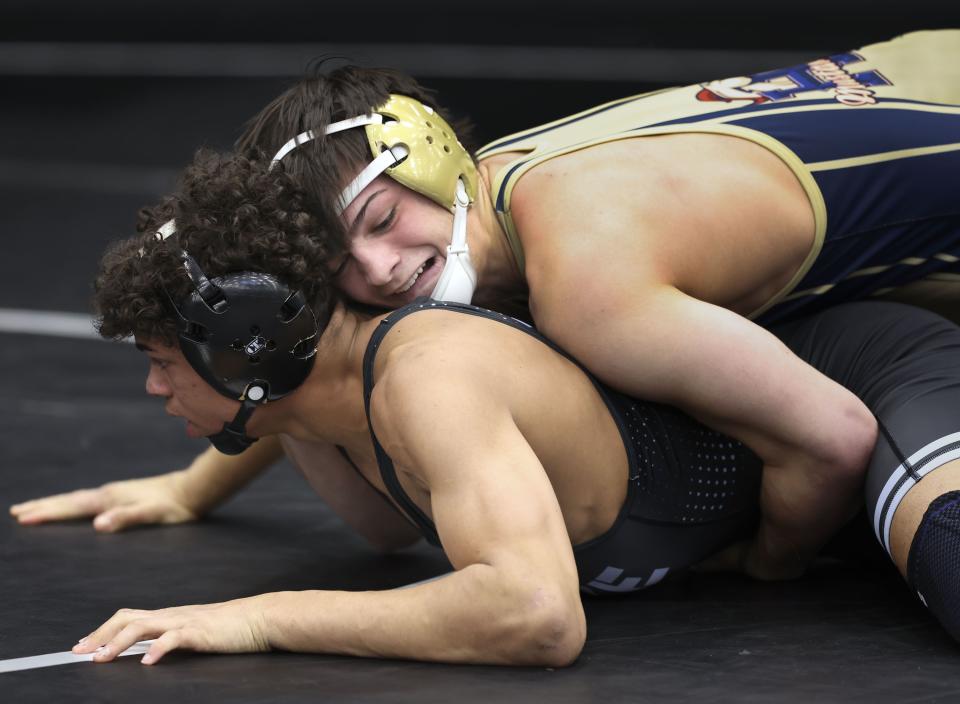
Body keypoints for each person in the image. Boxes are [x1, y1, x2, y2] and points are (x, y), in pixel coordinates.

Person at [10, 152, 960, 666]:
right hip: (791, 479)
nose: (149, 388)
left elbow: (537, 613)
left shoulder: (430, 378)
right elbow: (277, 408)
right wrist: (191, 486)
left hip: (861, 374)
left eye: (162, 362)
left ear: (245, 350)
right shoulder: (309, 397)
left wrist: (259, 618)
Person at [225, 29, 960, 577]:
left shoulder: (588, 288)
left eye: (383, 222)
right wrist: (202, 480)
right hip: (921, 71)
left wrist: (763, 567)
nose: (380, 271)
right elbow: (337, 382)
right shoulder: (503, 186)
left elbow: (830, 441)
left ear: (435, 155)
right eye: (338, 265)